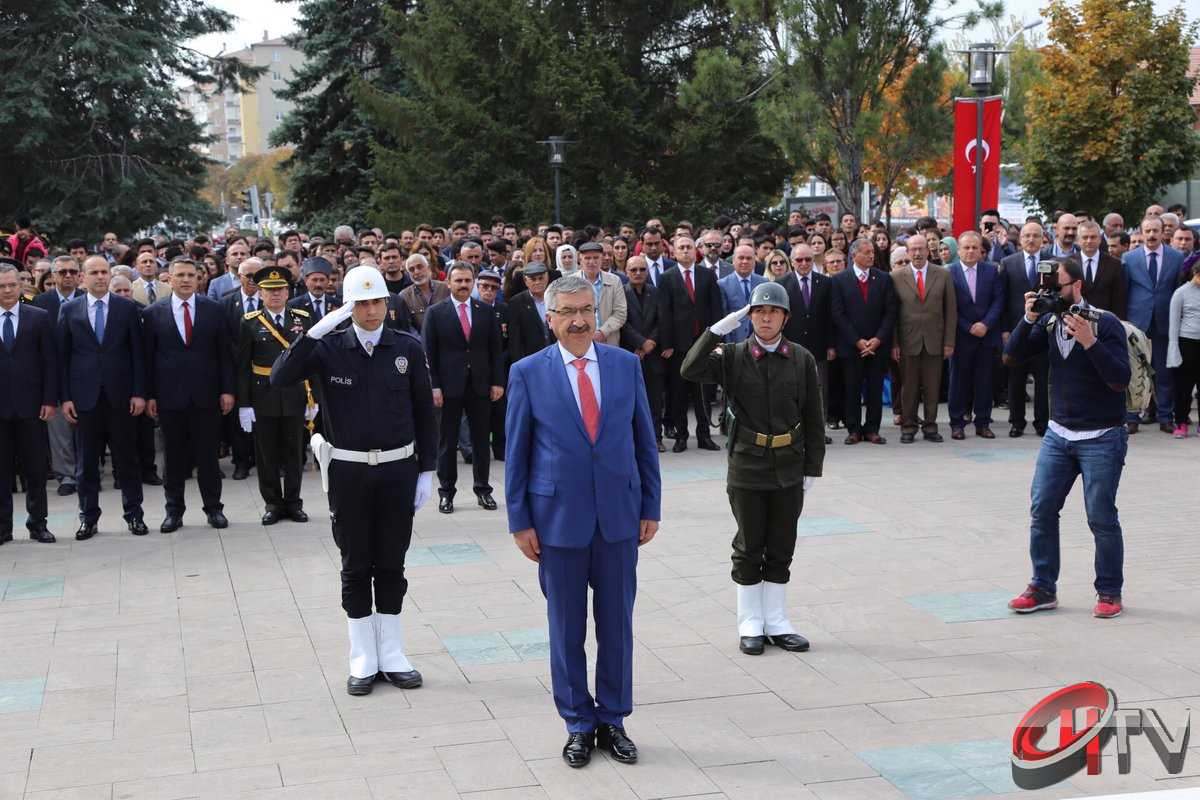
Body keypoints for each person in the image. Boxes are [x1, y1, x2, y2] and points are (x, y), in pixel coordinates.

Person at [504, 273, 661, 769]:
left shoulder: (623, 366)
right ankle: (577, 722)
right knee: (566, 628)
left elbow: (644, 441)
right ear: (549, 319)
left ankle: (613, 718)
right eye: (567, 313)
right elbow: (517, 453)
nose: (577, 321)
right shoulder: (528, 372)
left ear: (597, 314)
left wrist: (650, 506)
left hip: (618, 517)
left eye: (586, 311)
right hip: (557, 522)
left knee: (617, 625)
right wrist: (520, 520)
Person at [272, 265, 436, 696]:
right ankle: (363, 655)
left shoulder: (406, 347)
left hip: (398, 469)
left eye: (376, 301)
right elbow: (279, 376)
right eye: (360, 303)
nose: (370, 310)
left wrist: (428, 470)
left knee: (392, 561)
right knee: (356, 562)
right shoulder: (328, 349)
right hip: (348, 470)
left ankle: (393, 652)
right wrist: (315, 333)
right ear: (348, 306)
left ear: (387, 302)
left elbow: (424, 410)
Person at [681, 282, 824, 655]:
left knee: (781, 544)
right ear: (749, 316)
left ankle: (777, 621)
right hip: (747, 463)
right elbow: (689, 368)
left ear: (785, 317)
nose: (765, 317)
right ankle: (749, 623)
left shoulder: (801, 358)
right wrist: (718, 330)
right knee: (749, 544)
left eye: (772, 311)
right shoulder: (732, 355)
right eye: (758, 311)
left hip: (789, 464)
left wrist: (813, 467)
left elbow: (813, 416)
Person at [1004, 259, 1131, 619]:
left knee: (1101, 517)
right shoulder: (1047, 322)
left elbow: (1119, 379)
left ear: (1077, 286)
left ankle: (1109, 591)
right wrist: (1028, 318)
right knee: (1042, 508)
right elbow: (1011, 356)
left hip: (1102, 436)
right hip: (1059, 435)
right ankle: (1042, 587)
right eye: (1043, 288)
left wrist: (1089, 342)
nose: (1048, 295)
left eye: (1054, 288)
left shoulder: (1104, 324)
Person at [57, 256, 150, 539]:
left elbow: (138, 354)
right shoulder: (70, 309)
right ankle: (88, 518)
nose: (99, 277)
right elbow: (62, 357)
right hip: (84, 398)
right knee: (86, 464)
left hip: (121, 396)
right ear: (82, 277)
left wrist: (139, 392)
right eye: (93, 272)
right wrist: (65, 397)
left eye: (103, 272)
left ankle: (134, 515)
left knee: (126, 460)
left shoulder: (126, 307)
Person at [143, 258, 235, 533]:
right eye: (180, 275)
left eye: (190, 275)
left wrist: (228, 389)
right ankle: (174, 512)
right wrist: (149, 395)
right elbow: (148, 358)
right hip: (169, 397)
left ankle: (214, 509)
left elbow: (225, 355)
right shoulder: (153, 312)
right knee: (173, 458)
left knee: (208, 456)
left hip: (206, 396)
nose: (185, 280)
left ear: (199, 279)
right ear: (168, 278)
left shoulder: (214, 310)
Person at [422, 261, 505, 513]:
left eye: (468, 281)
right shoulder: (436, 313)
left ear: (474, 283)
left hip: (480, 385)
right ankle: (446, 493)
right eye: (458, 281)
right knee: (447, 442)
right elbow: (429, 353)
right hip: (448, 387)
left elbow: (495, 351)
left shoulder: (485, 311)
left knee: (481, 441)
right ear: (449, 283)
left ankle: (483, 490)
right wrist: (434, 386)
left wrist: (497, 381)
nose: (463, 285)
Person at [237, 266, 313, 525]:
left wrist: (312, 399)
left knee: (294, 452)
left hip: (294, 393)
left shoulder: (302, 317)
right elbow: (242, 366)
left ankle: (293, 503)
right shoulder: (249, 322)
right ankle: (272, 503)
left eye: (280, 289)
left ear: (288, 291)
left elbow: (311, 359)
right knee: (266, 453)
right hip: (263, 394)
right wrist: (244, 404)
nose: (276, 294)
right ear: (260, 293)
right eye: (269, 290)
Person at [0, 261, 57, 544]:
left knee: (35, 469)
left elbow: (49, 362)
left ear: (20, 286)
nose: (8, 290)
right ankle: (3, 527)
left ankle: (38, 524)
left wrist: (49, 399)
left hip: (32, 406)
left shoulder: (39, 317)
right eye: (2, 286)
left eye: (13, 285)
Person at [829, 238, 897, 444]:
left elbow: (891, 311)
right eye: (866, 252)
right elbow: (838, 314)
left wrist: (877, 339)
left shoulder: (884, 279)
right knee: (852, 389)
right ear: (854, 255)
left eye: (873, 252)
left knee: (875, 389)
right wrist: (858, 341)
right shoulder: (840, 280)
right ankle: (854, 429)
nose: (871, 256)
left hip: (877, 346)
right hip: (851, 347)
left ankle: (872, 429)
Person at [890, 233, 956, 443]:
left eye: (921, 249)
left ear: (929, 250)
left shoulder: (943, 275)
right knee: (908, 387)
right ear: (908, 252)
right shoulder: (896, 277)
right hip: (908, 341)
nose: (917, 253)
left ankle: (930, 426)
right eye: (913, 249)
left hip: (935, 340)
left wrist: (949, 342)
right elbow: (892, 314)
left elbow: (951, 311)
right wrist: (894, 343)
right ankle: (908, 427)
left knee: (932, 386)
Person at [658, 242, 723, 452]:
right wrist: (667, 344)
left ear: (696, 252)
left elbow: (716, 308)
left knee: (703, 392)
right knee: (678, 393)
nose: (685, 250)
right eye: (681, 247)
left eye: (689, 247)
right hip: (678, 346)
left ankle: (704, 436)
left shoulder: (707, 275)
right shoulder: (667, 277)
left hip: (703, 343)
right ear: (674, 253)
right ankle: (681, 436)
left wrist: (717, 339)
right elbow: (664, 313)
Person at [1124, 216, 1183, 433]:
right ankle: (1132, 417)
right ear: (1141, 232)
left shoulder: (1176, 258)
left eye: (1155, 231)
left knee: (1164, 374)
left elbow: (1178, 290)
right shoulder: (1129, 258)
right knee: (1134, 372)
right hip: (1137, 323)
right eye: (1147, 231)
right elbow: (1126, 290)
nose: (1151, 235)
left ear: (1163, 232)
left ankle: (1166, 417)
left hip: (1164, 323)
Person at [35, 255, 85, 497]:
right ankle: (66, 475)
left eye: (72, 272)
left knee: (85, 428)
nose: (67, 276)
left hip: (83, 373)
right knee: (60, 430)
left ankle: (87, 470)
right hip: (52, 373)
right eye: (62, 272)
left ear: (79, 275)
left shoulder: (88, 300)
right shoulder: (39, 302)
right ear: (53, 276)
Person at [947, 231, 1004, 440]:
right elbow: (949, 306)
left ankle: (982, 423)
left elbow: (998, 301)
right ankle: (957, 424)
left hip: (986, 336)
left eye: (974, 247)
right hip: (961, 336)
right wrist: (968, 326)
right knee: (958, 382)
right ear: (959, 250)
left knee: (985, 381)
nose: (970, 251)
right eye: (966, 247)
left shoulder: (992, 271)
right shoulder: (949, 272)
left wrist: (986, 324)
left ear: (981, 250)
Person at [1000, 223, 1052, 437]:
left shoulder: (1052, 264)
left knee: (1042, 380)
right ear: (1020, 239)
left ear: (1043, 239)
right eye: (1027, 236)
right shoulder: (1007, 263)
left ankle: (1042, 422)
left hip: (1044, 332)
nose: (1031, 240)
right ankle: (1016, 422)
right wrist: (1005, 330)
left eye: (1035, 236)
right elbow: (1002, 298)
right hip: (1016, 330)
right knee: (1016, 379)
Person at [220, 258, 262, 479]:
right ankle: (241, 461)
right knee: (239, 418)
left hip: (265, 370)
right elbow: (223, 339)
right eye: (249, 276)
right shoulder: (227, 302)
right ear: (239, 277)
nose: (254, 280)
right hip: (237, 370)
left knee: (264, 416)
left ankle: (263, 459)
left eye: (258, 275)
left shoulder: (271, 300)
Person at [619, 256, 665, 453]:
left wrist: (650, 343)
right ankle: (634, 439)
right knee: (631, 399)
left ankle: (656, 437)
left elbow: (662, 320)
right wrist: (640, 343)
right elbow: (623, 322)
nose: (638, 273)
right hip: (631, 352)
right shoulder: (621, 293)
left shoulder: (655, 292)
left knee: (655, 399)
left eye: (642, 269)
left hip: (652, 354)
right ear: (626, 272)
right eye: (633, 270)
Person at [1166, 262, 1200, 437]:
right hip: (1186, 343)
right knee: (1183, 388)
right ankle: (1180, 422)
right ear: (1195, 272)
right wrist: (1174, 350)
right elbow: (1174, 325)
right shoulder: (1181, 293)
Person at [1071, 220, 1127, 319]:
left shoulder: (1115, 264)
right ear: (1078, 240)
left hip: (1106, 321)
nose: (1089, 241)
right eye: (1085, 237)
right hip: (1075, 320)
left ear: (1100, 239)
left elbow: (1119, 300)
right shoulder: (1069, 263)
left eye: (1093, 237)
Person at [577, 242, 626, 346]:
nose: (592, 262)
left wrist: (603, 332)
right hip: (580, 339)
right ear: (580, 259)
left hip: (608, 339)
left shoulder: (614, 280)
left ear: (601, 259)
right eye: (587, 258)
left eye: (596, 258)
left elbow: (620, 313)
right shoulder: (570, 281)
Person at [717, 245, 767, 342]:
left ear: (754, 262)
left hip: (760, 339)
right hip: (734, 340)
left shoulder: (764, 282)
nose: (745, 261)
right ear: (733, 261)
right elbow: (723, 316)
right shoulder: (722, 284)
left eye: (749, 258)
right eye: (741, 258)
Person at [507, 261, 553, 363]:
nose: (537, 282)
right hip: (530, 359)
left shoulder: (556, 298)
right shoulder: (516, 303)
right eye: (533, 279)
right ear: (525, 280)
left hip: (556, 356)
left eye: (541, 278)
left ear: (547, 277)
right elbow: (515, 340)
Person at [397, 253, 449, 331]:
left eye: (420, 267)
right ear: (408, 274)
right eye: (412, 269)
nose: (416, 272)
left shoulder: (446, 288)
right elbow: (408, 327)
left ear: (428, 268)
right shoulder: (404, 296)